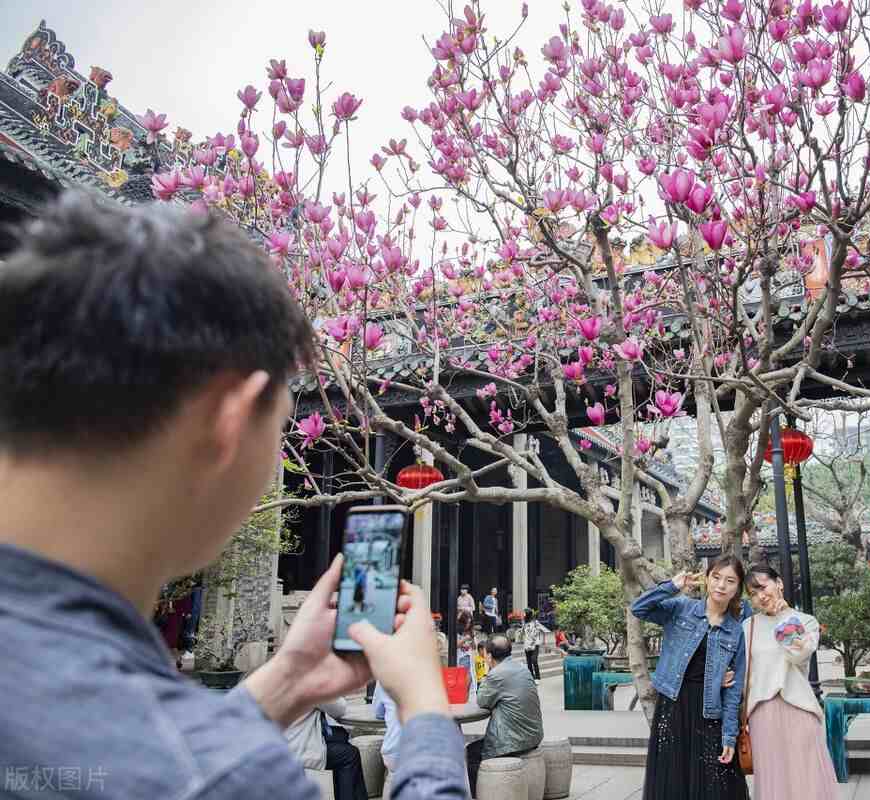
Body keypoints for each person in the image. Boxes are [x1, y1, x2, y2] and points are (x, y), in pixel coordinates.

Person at [0, 192, 466, 799]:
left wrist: (285, 685)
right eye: (281, 426)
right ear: (231, 418)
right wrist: (426, 711)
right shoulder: (222, 776)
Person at [631, 556, 749, 800]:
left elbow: (734, 691)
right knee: (672, 778)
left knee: (715, 783)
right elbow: (639, 608)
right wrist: (672, 586)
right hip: (673, 706)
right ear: (706, 578)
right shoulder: (681, 608)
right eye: (716, 577)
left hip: (709, 711)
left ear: (738, 588)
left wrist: (729, 735)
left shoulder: (736, 630)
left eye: (730, 581)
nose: (721, 585)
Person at [742, 563, 838, 800]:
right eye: (753, 594)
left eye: (763, 587)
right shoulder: (748, 626)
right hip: (762, 713)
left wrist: (785, 619)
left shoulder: (805, 621)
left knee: (806, 779)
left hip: (799, 707)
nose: (760, 597)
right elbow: (744, 673)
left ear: (779, 583)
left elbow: (799, 654)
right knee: (773, 780)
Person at [468, 635, 544, 796]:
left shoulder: (496, 675)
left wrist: (489, 672)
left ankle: (480, 795)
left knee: (472, 752)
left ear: (489, 656)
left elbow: (482, 700)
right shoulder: (523, 669)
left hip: (512, 741)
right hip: (534, 735)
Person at [285, 698, 368, 800]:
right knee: (350, 755)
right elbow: (339, 709)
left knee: (343, 736)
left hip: (281, 737)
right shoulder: (310, 685)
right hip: (297, 745)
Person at [522, 607, 552, 680]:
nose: (523, 614)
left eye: (524, 613)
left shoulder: (535, 622)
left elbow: (544, 630)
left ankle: (537, 677)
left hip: (535, 644)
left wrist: (544, 641)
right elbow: (523, 633)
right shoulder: (524, 624)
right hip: (527, 645)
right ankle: (532, 677)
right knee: (529, 663)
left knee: (534, 660)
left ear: (527, 614)